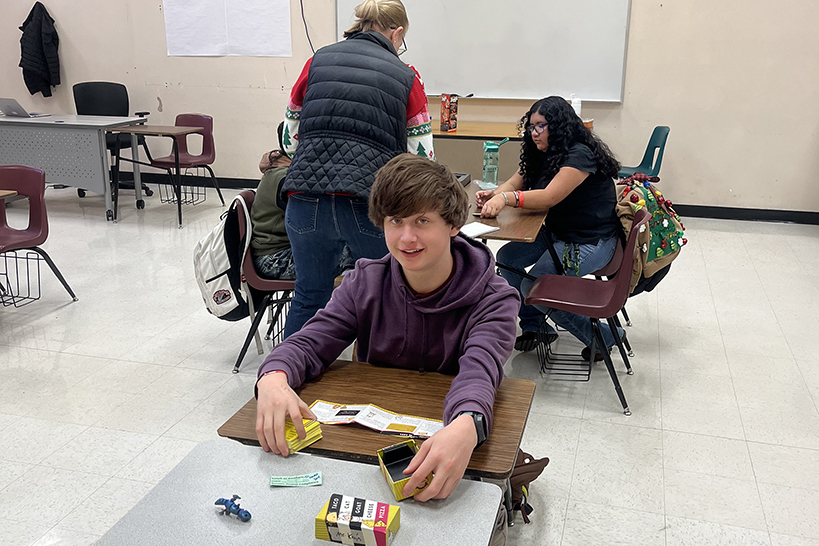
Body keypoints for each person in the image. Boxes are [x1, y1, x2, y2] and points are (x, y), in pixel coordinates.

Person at [255, 154, 519, 507]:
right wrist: (273, 377)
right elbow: (309, 343)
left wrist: (467, 423)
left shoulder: (495, 298)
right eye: (396, 221)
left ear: (453, 224)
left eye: (422, 221)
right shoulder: (364, 282)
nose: (407, 238)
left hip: (447, 432)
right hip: (372, 439)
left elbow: (480, 371)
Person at [280, 0, 435, 338]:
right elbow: (421, 160)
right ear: (397, 34)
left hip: (305, 200)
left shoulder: (316, 61)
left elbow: (289, 140)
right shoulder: (406, 76)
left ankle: (288, 371)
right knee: (384, 299)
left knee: (309, 295)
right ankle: (375, 371)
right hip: (368, 205)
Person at [477, 96, 622, 361]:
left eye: (541, 126)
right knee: (507, 259)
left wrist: (506, 199)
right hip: (559, 234)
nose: (534, 133)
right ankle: (536, 325)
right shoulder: (543, 153)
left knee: (535, 288)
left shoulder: (579, 155)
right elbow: (515, 182)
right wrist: (493, 195)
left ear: (559, 126)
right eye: (531, 127)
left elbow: (549, 197)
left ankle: (604, 336)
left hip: (591, 242)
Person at [250, 123, 351, 280]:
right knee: (353, 250)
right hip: (274, 259)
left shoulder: (286, 170)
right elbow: (314, 220)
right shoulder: (286, 178)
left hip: (283, 250)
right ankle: (348, 291)